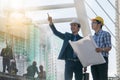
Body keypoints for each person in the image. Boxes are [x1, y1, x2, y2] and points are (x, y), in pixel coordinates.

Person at [48, 14, 86, 80]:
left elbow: (84, 53)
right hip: (69, 62)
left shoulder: (82, 39)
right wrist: (51, 23)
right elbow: (56, 32)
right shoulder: (67, 36)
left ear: (78, 28)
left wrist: (85, 64)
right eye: (71, 25)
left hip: (78, 63)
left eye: (74, 25)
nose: (72, 27)